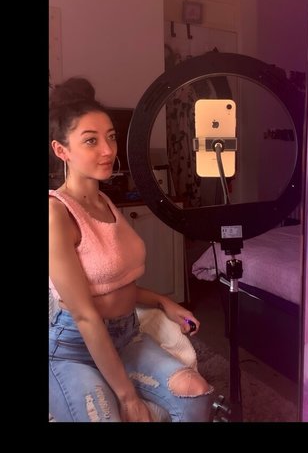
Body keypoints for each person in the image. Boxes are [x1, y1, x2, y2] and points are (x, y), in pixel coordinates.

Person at [49, 77, 213, 422]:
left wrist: (163, 301)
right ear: (61, 151)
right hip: (74, 348)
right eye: (91, 140)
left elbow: (113, 284)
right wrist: (128, 397)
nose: (108, 150)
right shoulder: (57, 213)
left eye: (111, 137)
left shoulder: (106, 202)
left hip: (126, 336)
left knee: (196, 396)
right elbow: (85, 313)